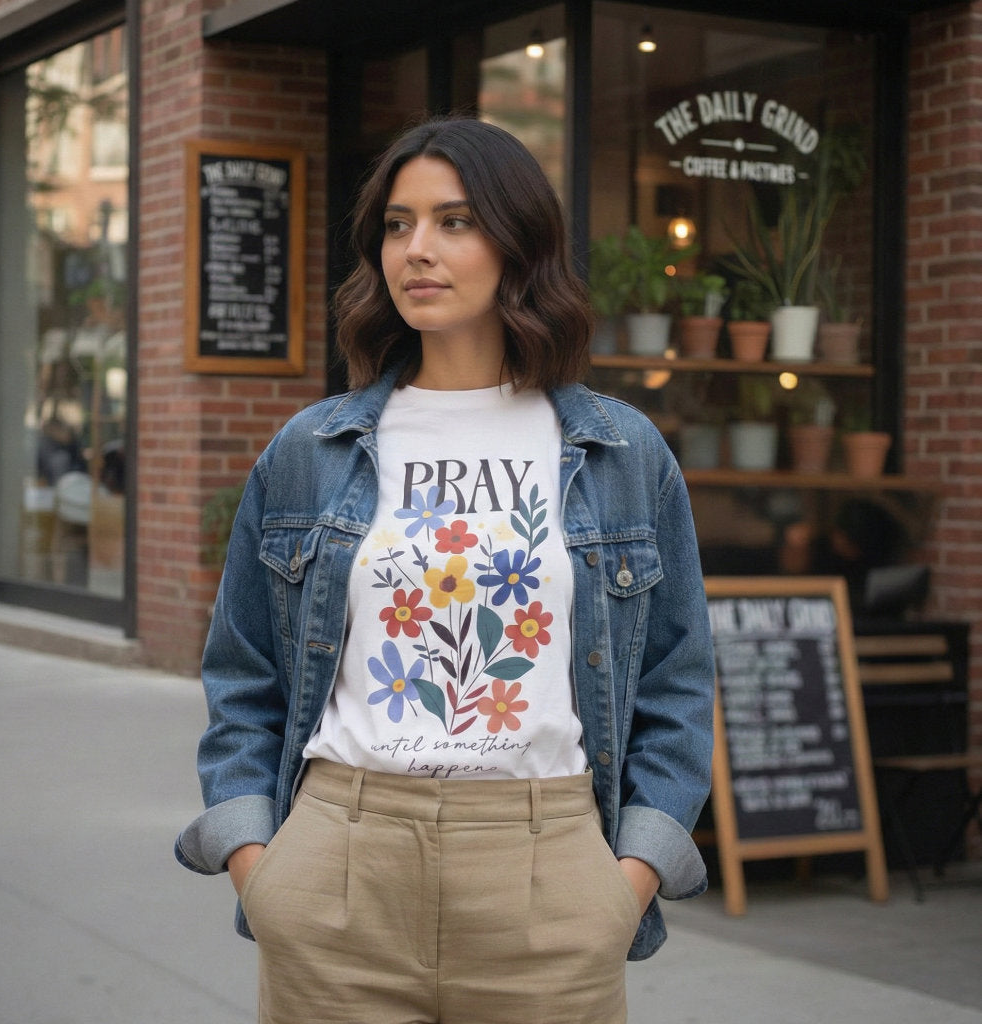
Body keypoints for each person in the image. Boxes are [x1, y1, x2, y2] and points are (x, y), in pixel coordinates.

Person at [175, 115, 715, 1024]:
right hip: (341, 868)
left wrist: (625, 883)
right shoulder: (313, 449)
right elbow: (243, 675)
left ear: (518, 242)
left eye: (455, 222)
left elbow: (678, 680)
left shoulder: (621, 453)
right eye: (398, 224)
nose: (417, 250)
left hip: (548, 876)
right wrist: (259, 870)